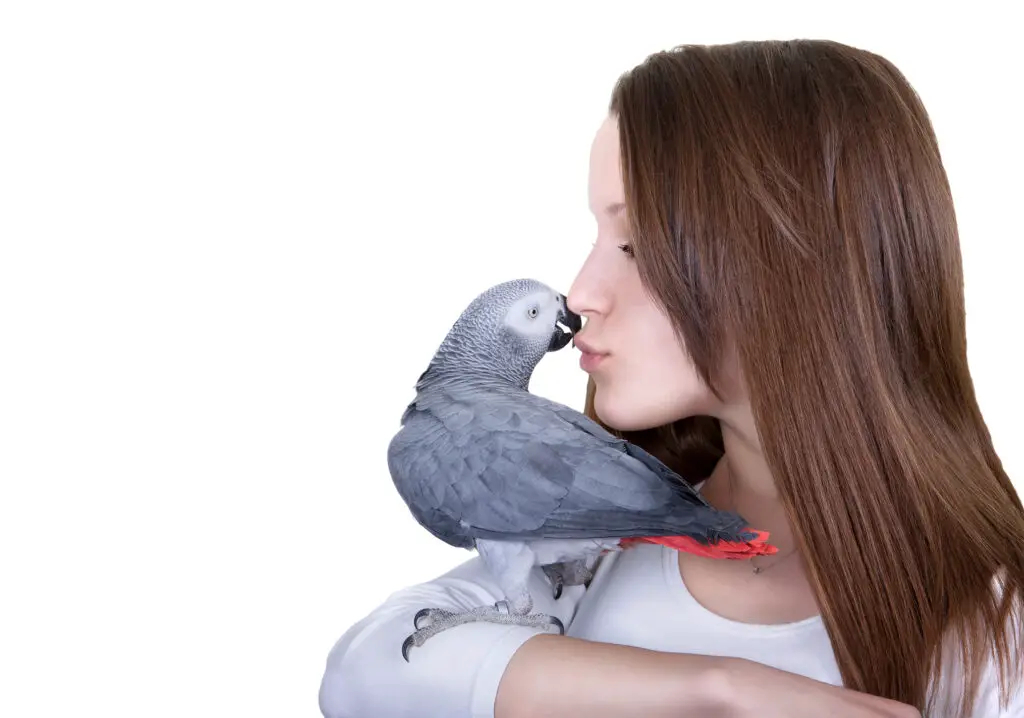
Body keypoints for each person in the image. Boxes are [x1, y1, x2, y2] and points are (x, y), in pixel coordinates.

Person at [318, 39, 1024, 717]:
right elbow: (365, 671)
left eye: (636, 243)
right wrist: (718, 689)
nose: (583, 292)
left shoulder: (996, 633)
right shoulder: (591, 559)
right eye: (596, 238)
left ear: (794, 269)